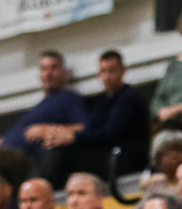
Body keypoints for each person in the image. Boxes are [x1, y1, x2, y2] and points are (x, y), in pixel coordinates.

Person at [0, 52, 87, 180]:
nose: (48, 73)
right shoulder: (39, 105)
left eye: (53, 67)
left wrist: (47, 129)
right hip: (5, 152)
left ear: (63, 72)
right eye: (44, 69)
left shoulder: (68, 98)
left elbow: (84, 127)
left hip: (22, 158)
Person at [63, 51, 150, 179]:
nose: (107, 76)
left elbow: (110, 134)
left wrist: (74, 137)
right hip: (104, 153)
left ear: (122, 71)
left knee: (65, 155)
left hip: (125, 157)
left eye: (112, 71)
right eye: (103, 72)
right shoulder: (99, 100)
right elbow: (90, 127)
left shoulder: (130, 97)